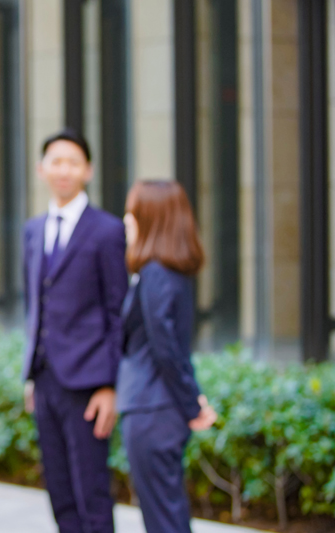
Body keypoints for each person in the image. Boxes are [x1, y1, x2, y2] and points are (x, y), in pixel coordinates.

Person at [21, 128, 128, 533]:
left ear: (88, 171)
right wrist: (31, 375)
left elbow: (118, 313)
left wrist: (111, 386)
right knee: (60, 493)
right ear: (41, 169)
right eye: (56, 161)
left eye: (73, 162)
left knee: (92, 494)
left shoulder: (106, 230)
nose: (64, 170)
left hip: (89, 385)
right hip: (46, 381)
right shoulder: (33, 230)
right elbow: (35, 305)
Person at [117, 180, 217, 533]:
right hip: (157, 408)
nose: (127, 220)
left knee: (163, 518)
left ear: (152, 218)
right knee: (167, 514)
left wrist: (192, 404)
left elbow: (166, 347)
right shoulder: (170, 272)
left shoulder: (156, 272)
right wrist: (193, 399)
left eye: (133, 212)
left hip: (151, 410)